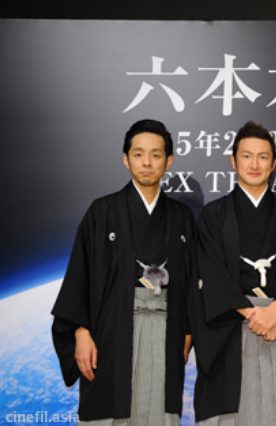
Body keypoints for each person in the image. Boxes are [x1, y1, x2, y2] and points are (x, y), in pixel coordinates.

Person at [51, 119, 195, 424]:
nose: (147, 162)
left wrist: (187, 332)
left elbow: (191, 282)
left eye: (156, 155)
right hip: (111, 332)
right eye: (138, 154)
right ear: (125, 160)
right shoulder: (101, 212)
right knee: (109, 407)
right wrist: (81, 332)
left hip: (166, 330)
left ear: (169, 161)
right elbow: (79, 277)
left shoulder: (181, 217)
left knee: (161, 411)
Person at [191, 121, 276, 425]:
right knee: (224, 412)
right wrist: (254, 314)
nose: (254, 164)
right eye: (246, 156)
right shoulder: (214, 215)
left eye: (262, 157)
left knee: (273, 412)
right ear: (233, 161)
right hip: (229, 325)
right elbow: (210, 270)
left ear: (274, 163)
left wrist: (274, 310)